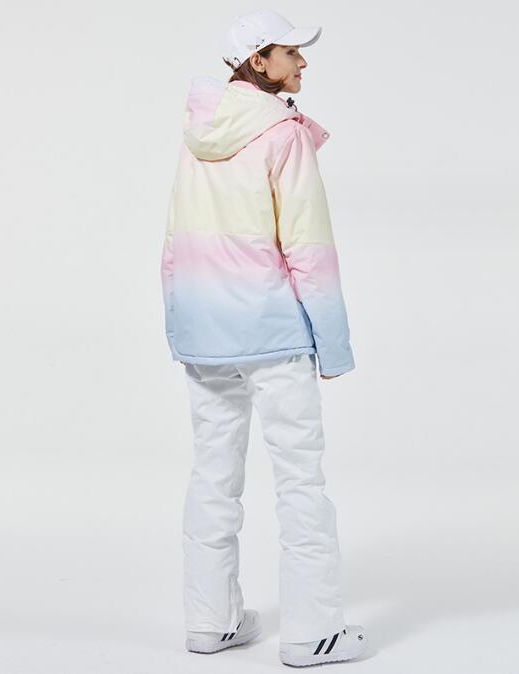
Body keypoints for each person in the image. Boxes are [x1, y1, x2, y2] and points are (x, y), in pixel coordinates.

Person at [160, 9, 368, 667]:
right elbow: (309, 246)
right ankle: (313, 633)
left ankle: (211, 621)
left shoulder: (200, 128)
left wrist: (183, 324)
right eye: (291, 52)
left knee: (212, 475)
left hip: (206, 330)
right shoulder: (283, 132)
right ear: (258, 61)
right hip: (273, 330)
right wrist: (333, 345)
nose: (303, 62)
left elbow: (178, 237)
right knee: (300, 480)